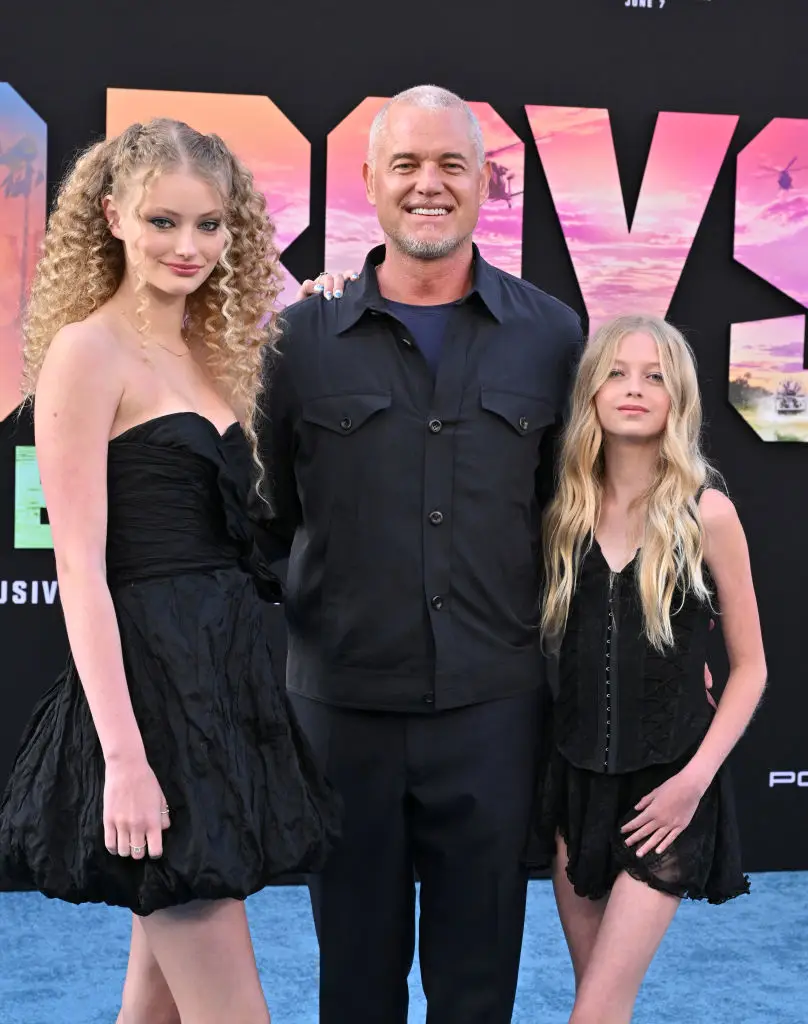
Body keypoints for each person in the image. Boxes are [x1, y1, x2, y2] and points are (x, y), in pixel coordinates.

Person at [254, 84, 583, 1024]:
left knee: (477, 985)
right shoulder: (298, 339)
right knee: (354, 982)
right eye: (406, 164)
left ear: (488, 183)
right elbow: (270, 519)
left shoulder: (553, 334)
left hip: (493, 712)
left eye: (451, 166)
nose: (428, 185)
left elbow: (568, 517)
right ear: (367, 181)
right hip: (343, 717)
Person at [0, 117, 340, 1024]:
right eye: (163, 222)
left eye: (210, 225)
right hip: (153, 696)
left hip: (224, 676)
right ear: (111, 217)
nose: (188, 247)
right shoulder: (85, 353)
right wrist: (125, 756)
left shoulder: (213, 351)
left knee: (152, 1007)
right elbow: (79, 566)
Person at [529, 314, 766, 1023]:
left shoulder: (707, 513)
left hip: (667, 789)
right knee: (597, 1001)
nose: (635, 389)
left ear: (678, 399)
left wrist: (692, 786)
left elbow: (750, 669)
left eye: (655, 376)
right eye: (618, 373)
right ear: (592, 392)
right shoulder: (560, 511)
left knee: (596, 1009)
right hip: (575, 784)